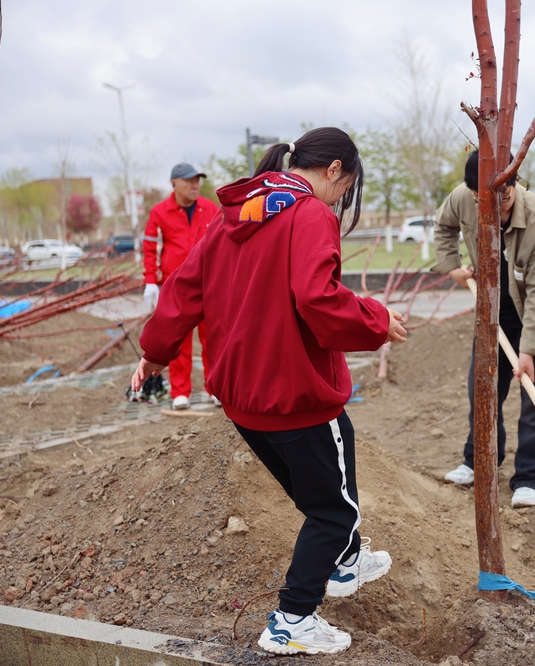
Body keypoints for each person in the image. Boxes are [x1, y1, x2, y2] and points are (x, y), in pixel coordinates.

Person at [131, 129, 408, 655]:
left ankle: (346, 562)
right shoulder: (309, 214)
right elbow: (318, 298)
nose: (341, 200)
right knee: (333, 511)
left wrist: (155, 349)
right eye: (345, 187)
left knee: (329, 469)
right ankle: (292, 620)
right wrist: (375, 318)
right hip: (293, 391)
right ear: (333, 171)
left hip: (242, 395)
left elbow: (185, 286)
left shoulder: (241, 212)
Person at [433, 150, 535, 509]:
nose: (495, 206)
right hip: (492, 310)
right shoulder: (463, 198)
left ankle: (528, 477)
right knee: (483, 389)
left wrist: (530, 350)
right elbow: (443, 225)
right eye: (484, 200)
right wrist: (452, 266)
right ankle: (479, 460)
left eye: (503, 196)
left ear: (513, 182)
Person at [142, 162, 221, 410]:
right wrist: (150, 282)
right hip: (176, 287)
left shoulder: (210, 209)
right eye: (189, 181)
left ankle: (215, 387)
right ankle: (180, 392)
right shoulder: (159, 212)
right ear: (174, 183)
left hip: (210, 285)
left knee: (215, 339)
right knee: (178, 340)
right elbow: (149, 249)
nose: (195, 185)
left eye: (197, 180)